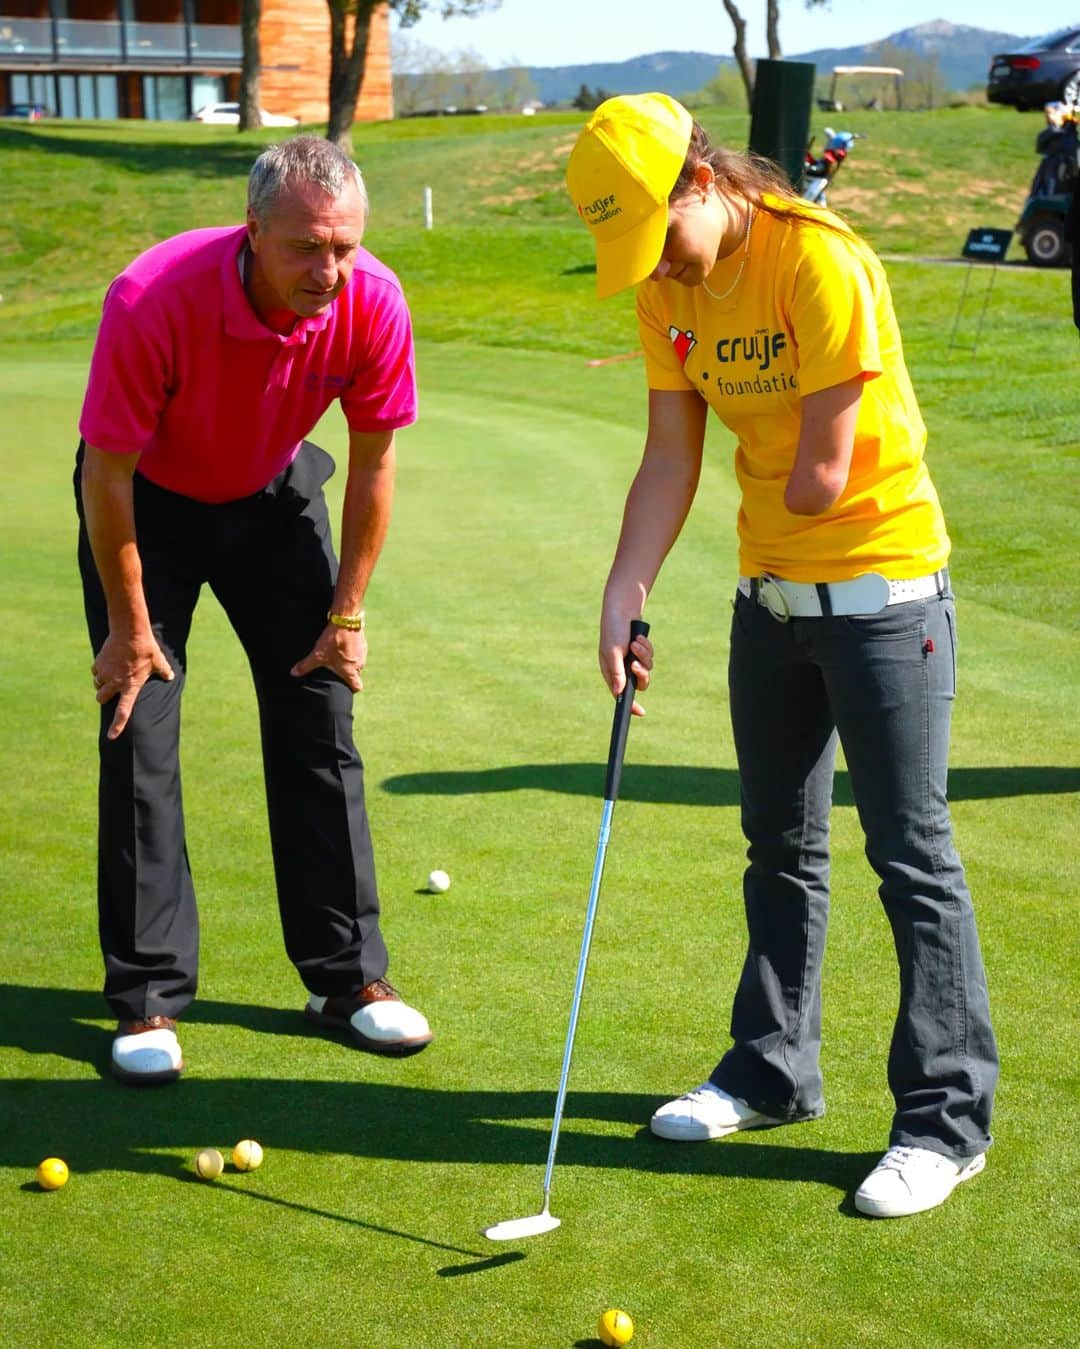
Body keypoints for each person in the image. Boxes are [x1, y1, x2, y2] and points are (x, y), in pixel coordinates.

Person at [566, 94, 998, 1219]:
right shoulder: (668, 287)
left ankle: (946, 1123)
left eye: (657, 233)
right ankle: (770, 1069)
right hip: (770, 603)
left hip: (882, 594)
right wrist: (626, 588)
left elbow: (821, 470)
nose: (653, 264)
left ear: (700, 182)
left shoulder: (822, 261)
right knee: (778, 846)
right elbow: (672, 449)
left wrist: (770, 463)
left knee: (910, 855)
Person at [76, 135, 432, 1085]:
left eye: (345, 247)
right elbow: (106, 471)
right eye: (307, 248)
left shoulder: (371, 300)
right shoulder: (152, 297)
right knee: (138, 722)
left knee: (320, 711)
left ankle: (348, 978)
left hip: (274, 498)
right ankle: (148, 996)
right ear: (254, 232)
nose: (330, 270)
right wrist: (130, 624)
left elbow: (374, 459)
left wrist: (346, 613)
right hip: (147, 505)